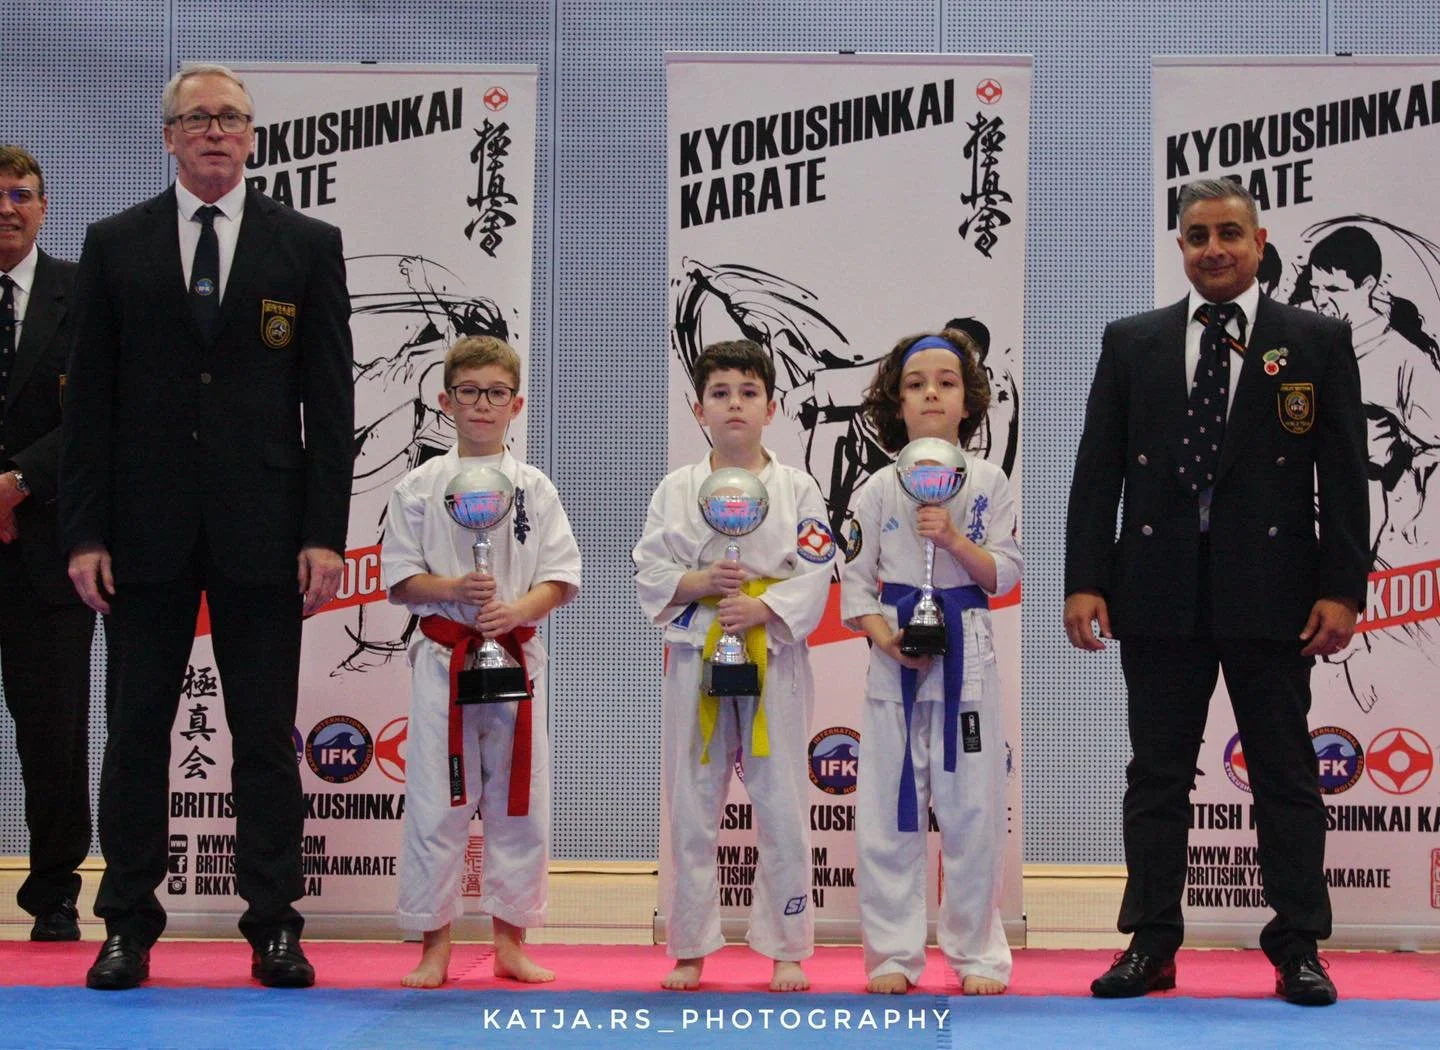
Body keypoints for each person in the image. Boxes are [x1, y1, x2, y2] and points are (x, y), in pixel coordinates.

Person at [59, 64, 354, 990]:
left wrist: (323, 533)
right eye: (197, 118)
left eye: (231, 118)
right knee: (137, 730)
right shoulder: (117, 244)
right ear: (169, 136)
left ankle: (273, 924)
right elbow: (90, 406)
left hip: (265, 529)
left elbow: (330, 400)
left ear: (253, 136)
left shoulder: (305, 244)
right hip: (140, 530)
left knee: (263, 736)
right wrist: (84, 533)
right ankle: (127, 928)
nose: (215, 131)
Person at [1064, 179, 1368, 1006]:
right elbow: (1098, 473)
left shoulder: (1315, 340)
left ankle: (1298, 943)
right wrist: (1085, 579)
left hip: (1274, 591)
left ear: (1260, 241)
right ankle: (1152, 943)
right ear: (1181, 247)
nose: (1214, 249)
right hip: (1156, 589)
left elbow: (1344, 478)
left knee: (1285, 774)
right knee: (1157, 775)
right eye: (1197, 236)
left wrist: (1344, 589)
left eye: (1229, 233)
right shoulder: (1133, 342)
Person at [633, 339, 833, 992]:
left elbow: (818, 568)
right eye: (720, 393)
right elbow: (649, 571)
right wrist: (699, 582)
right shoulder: (677, 488)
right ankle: (690, 945)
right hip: (697, 659)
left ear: (771, 407)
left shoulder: (798, 486)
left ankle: (787, 945)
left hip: (771, 655)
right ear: (698, 409)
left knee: (779, 803)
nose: (734, 404)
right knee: (692, 806)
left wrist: (765, 609)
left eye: (748, 392)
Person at [381, 335, 580, 988]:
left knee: (518, 801)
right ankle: (433, 946)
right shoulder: (416, 487)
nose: (482, 405)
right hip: (444, 658)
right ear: (446, 400)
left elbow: (562, 577)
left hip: (515, 661)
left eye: (496, 393)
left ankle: (510, 943)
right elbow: (402, 580)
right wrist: (455, 592)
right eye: (469, 392)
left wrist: (518, 609)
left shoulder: (534, 487)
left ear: (516, 404)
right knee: (436, 803)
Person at [840, 329, 1020, 996]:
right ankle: (891, 953)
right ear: (898, 402)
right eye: (916, 385)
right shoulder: (876, 489)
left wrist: (953, 539)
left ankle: (976, 953)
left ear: (969, 401)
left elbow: (1004, 571)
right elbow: (855, 585)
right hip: (895, 667)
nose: (932, 394)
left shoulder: (990, 482)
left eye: (945, 382)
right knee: (890, 814)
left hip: (967, 657)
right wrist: (889, 641)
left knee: (973, 813)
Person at [0, 145, 95, 944]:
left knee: (52, 731)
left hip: (51, 547)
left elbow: (104, 412)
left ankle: (55, 892)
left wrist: (18, 479)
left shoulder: (81, 292)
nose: (7, 208)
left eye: (20, 194)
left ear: (43, 205)